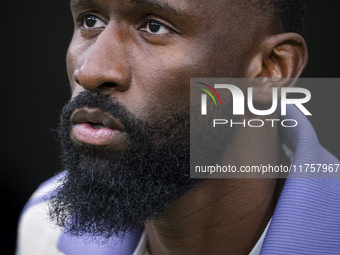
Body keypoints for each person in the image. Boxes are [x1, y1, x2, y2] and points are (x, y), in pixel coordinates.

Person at [16, 0, 340, 254]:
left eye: (155, 26)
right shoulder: (46, 227)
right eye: (90, 20)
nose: (90, 71)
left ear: (270, 69)